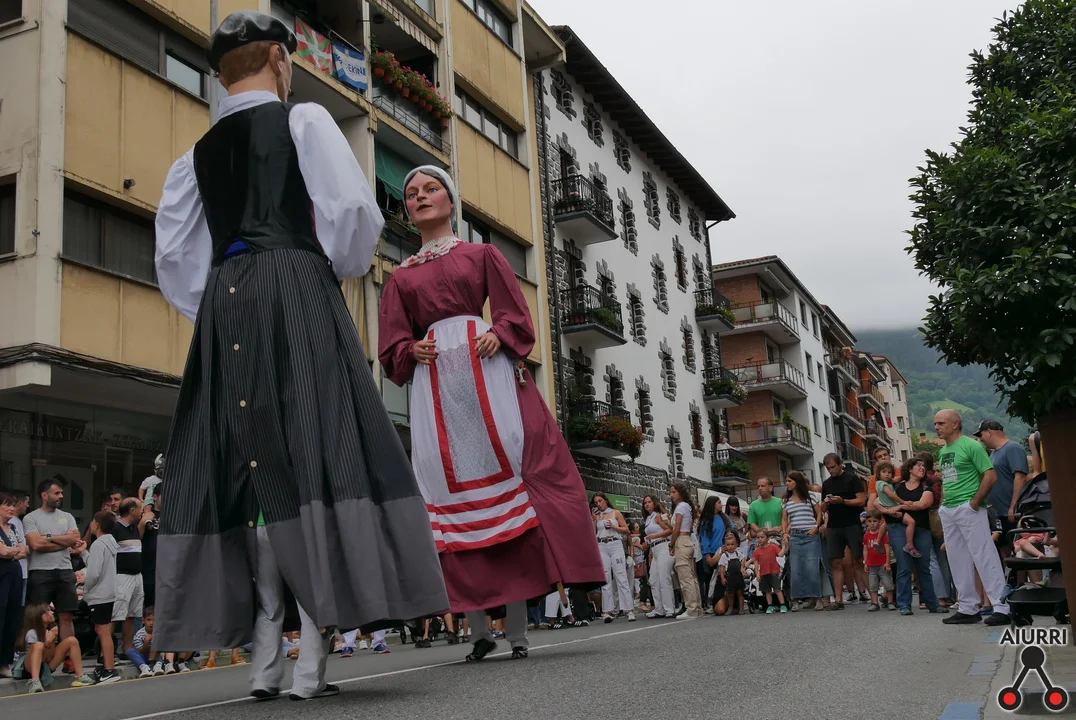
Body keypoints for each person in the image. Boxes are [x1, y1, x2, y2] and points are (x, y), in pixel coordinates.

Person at [153, 10, 448, 701]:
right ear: (281, 62)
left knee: (247, 465)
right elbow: (351, 221)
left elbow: (175, 259)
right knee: (316, 450)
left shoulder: (192, 156)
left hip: (226, 301)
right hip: (295, 282)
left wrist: (221, 303)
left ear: (220, 75)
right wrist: (312, 272)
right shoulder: (305, 120)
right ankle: (311, 656)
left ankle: (264, 656)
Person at [376, 164, 603, 662]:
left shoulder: (481, 255)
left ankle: (517, 629)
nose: (420, 197)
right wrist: (410, 348)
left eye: (431, 189)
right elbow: (391, 345)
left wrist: (499, 333)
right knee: (450, 496)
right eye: (411, 193)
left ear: (450, 200)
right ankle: (478, 629)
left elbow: (514, 315)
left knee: (509, 479)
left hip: (486, 376)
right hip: (438, 388)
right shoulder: (401, 278)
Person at [934, 410, 1010, 626]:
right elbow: (948, 480)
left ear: (955, 423)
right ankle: (968, 608)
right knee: (957, 559)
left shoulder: (972, 446)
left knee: (984, 555)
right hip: (950, 509)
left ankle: (1002, 607)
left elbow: (990, 475)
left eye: (941, 423)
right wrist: (943, 506)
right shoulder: (944, 450)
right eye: (935, 424)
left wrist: (975, 503)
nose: (936, 427)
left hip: (968, 508)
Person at [22, 479, 83, 640]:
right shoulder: (31, 518)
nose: (61, 496)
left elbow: (75, 539)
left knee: (67, 617)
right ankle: (39, 653)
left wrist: (48, 537)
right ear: (44, 495)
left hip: (65, 571)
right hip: (40, 573)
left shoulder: (67, 516)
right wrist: (64, 542)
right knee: (39, 617)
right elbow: (36, 544)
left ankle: (68, 653)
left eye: (61, 493)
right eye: (57, 493)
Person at [77, 510, 123, 683]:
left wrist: (85, 587)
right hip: (108, 592)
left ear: (97, 524)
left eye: (93, 521)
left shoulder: (98, 544)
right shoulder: (110, 542)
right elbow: (96, 565)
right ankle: (107, 667)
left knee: (102, 630)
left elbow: (94, 573)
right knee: (101, 628)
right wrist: (83, 552)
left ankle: (109, 669)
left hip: (99, 594)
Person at [820, 453, 868, 610]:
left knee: (859, 560)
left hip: (852, 523)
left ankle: (874, 596)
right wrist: (826, 503)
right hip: (834, 525)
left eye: (833, 467)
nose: (831, 470)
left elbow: (861, 500)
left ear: (840, 464)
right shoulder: (827, 483)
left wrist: (843, 501)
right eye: (828, 468)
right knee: (835, 562)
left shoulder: (852, 478)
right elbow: (823, 508)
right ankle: (838, 599)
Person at [975, 420, 1029, 549]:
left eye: (981, 435)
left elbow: (1020, 476)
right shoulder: (994, 453)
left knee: (1017, 548)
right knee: (1004, 549)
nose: (981, 440)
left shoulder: (1013, 448)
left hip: (1009, 511)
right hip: (998, 513)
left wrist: (1013, 506)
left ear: (989, 432)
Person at [16, 604, 96, 692]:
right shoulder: (32, 633)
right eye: (48, 611)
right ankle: (35, 682)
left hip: (45, 666)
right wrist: (47, 643)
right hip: (29, 669)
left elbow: (49, 658)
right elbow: (38, 655)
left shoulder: (50, 631)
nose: (52, 612)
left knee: (72, 640)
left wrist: (52, 641)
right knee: (38, 645)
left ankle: (80, 676)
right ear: (39, 616)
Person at [782, 472, 828, 610]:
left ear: (797, 482)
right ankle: (796, 599)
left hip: (810, 535)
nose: (787, 483)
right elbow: (784, 519)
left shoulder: (810, 496)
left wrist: (816, 527)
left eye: (789, 481)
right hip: (795, 535)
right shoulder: (786, 500)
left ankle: (817, 598)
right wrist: (785, 533)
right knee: (796, 569)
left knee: (812, 568)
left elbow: (819, 513)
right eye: (787, 481)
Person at [0, 491, 29, 679]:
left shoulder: (13, 527)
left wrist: (11, 552)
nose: (11, 508)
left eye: (13, 505)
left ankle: (4, 662)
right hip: (1, 574)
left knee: (12, 617)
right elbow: (2, 552)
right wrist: (13, 551)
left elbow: (25, 550)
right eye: (7, 505)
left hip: (15, 574)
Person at [592, 494, 634, 623]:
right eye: (596, 502)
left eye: (600, 501)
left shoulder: (615, 512)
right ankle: (607, 611)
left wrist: (614, 527)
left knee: (621, 576)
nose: (598, 504)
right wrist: (594, 519)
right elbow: (594, 533)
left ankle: (629, 610)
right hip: (602, 545)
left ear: (605, 500)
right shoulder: (597, 515)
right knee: (605, 578)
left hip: (615, 543)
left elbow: (626, 530)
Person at [873, 460, 921, 558]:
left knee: (886, 523)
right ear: (878, 473)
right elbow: (891, 495)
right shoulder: (881, 484)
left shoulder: (888, 482)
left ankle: (878, 541)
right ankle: (909, 544)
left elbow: (896, 479)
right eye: (884, 472)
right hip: (892, 508)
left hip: (891, 509)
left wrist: (906, 474)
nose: (887, 474)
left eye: (889, 472)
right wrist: (903, 502)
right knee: (911, 522)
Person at [668, 484, 701, 620]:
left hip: (681, 540)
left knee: (685, 577)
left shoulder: (680, 507)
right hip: (688, 541)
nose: (672, 495)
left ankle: (691, 608)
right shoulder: (687, 506)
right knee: (692, 577)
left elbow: (676, 528)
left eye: (674, 492)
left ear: (680, 493)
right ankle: (697, 607)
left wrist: (671, 544)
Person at [642, 495, 676, 619]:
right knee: (654, 579)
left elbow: (670, 530)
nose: (647, 504)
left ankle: (669, 608)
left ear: (654, 503)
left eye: (649, 502)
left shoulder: (660, 515)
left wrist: (655, 536)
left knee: (663, 577)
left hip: (663, 546)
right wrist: (651, 551)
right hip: (654, 549)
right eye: (645, 503)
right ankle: (659, 608)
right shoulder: (648, 518)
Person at [697, 497, 728, 613]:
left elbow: (732, 530)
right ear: (713, 505)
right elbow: (704, 538)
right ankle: (709, 602)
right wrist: (707, 555)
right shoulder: (705, 521)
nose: (721, 504)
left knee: (722, 575)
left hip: (724, 550)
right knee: (710, 578)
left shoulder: (724, 518)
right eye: (719, 502)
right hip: (711, 552)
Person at [862, 512, 895, 612]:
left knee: (888, 583)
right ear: (866, 522)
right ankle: (875, 603)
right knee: (873, 585)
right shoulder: (866, 535)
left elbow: (887, 549)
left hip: (882, 564)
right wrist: (865, 562)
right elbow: (865, 549)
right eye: (869, 521)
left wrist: (887, 562)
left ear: (880, 522)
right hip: (872, 564)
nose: (872, 523)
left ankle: (890, 601)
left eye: (875, 521)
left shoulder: (883, 535)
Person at [750, 532, 787, 613]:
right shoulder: (757, 551)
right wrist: (757, 574)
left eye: (762, 537)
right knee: (767, 591)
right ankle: (770, 605)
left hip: (774, 572)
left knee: (777, 589)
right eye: (758, 537)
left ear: (767, 538)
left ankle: (783, 604)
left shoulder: (773, 547)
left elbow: (780, 554)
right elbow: (756, 564)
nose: (760, 539)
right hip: (763, 573)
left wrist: (784, 546)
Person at [717, 532, 747, 615]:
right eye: (728, 545)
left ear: (736, 545)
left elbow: (743, 559)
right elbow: (722, 567)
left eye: (732, 544)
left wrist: (743, 566)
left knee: (740, 593)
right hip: (730, 577)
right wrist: (722, 577)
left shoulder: (738, 554)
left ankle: (741, 608)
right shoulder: (724, 556)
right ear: (725, 546)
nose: (730, 547)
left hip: (739, 576)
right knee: (730, 594)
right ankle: (730, 608)